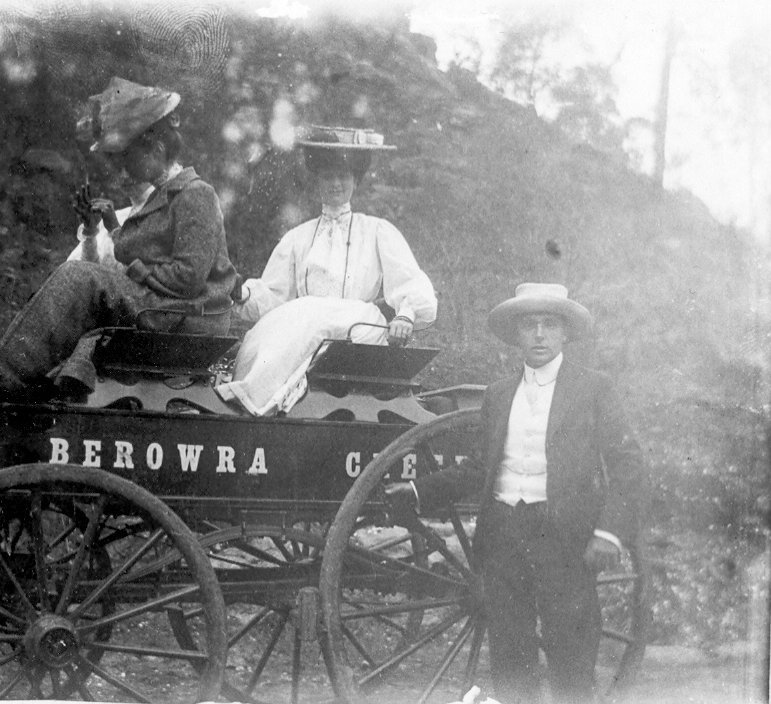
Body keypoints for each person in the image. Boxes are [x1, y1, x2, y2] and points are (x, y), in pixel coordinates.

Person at [386, 282, 645, 704]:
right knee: (510, 655)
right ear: (517, 335)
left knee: (571, 654)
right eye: (530, 325)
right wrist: (419, 489)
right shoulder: (499, 394)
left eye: (549, 325)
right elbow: (481, 468)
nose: (539, 334)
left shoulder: (594, 389)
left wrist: (609, 533)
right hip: (503, 535)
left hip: (563, 538)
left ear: (565, 334)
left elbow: (628, 463)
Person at [0, 78, 237, 413]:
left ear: (156, 149)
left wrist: (134, 272)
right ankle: (25, 383)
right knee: (81, 280)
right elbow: (139, 249)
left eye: (126, 156)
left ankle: (4, 383)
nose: (122, 167)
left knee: (81, 279)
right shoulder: (164, 195)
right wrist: (110, 229)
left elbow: (189, 277)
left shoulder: (196, 194)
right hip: (168, 308)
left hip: (191, 317)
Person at [216, 125, 437, 416]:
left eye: (343, 176)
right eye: (328, 176)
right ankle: (252, 399)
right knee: (267, 331)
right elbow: (274, 298)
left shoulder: (376, 231)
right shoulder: (298, 237)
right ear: (317, 181)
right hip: (307, 324)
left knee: (307, 314)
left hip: (358, 326)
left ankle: (257, 400)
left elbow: (410, 281)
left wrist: (406, 314)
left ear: (355, 181)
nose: (335, 183)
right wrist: (243, 292)